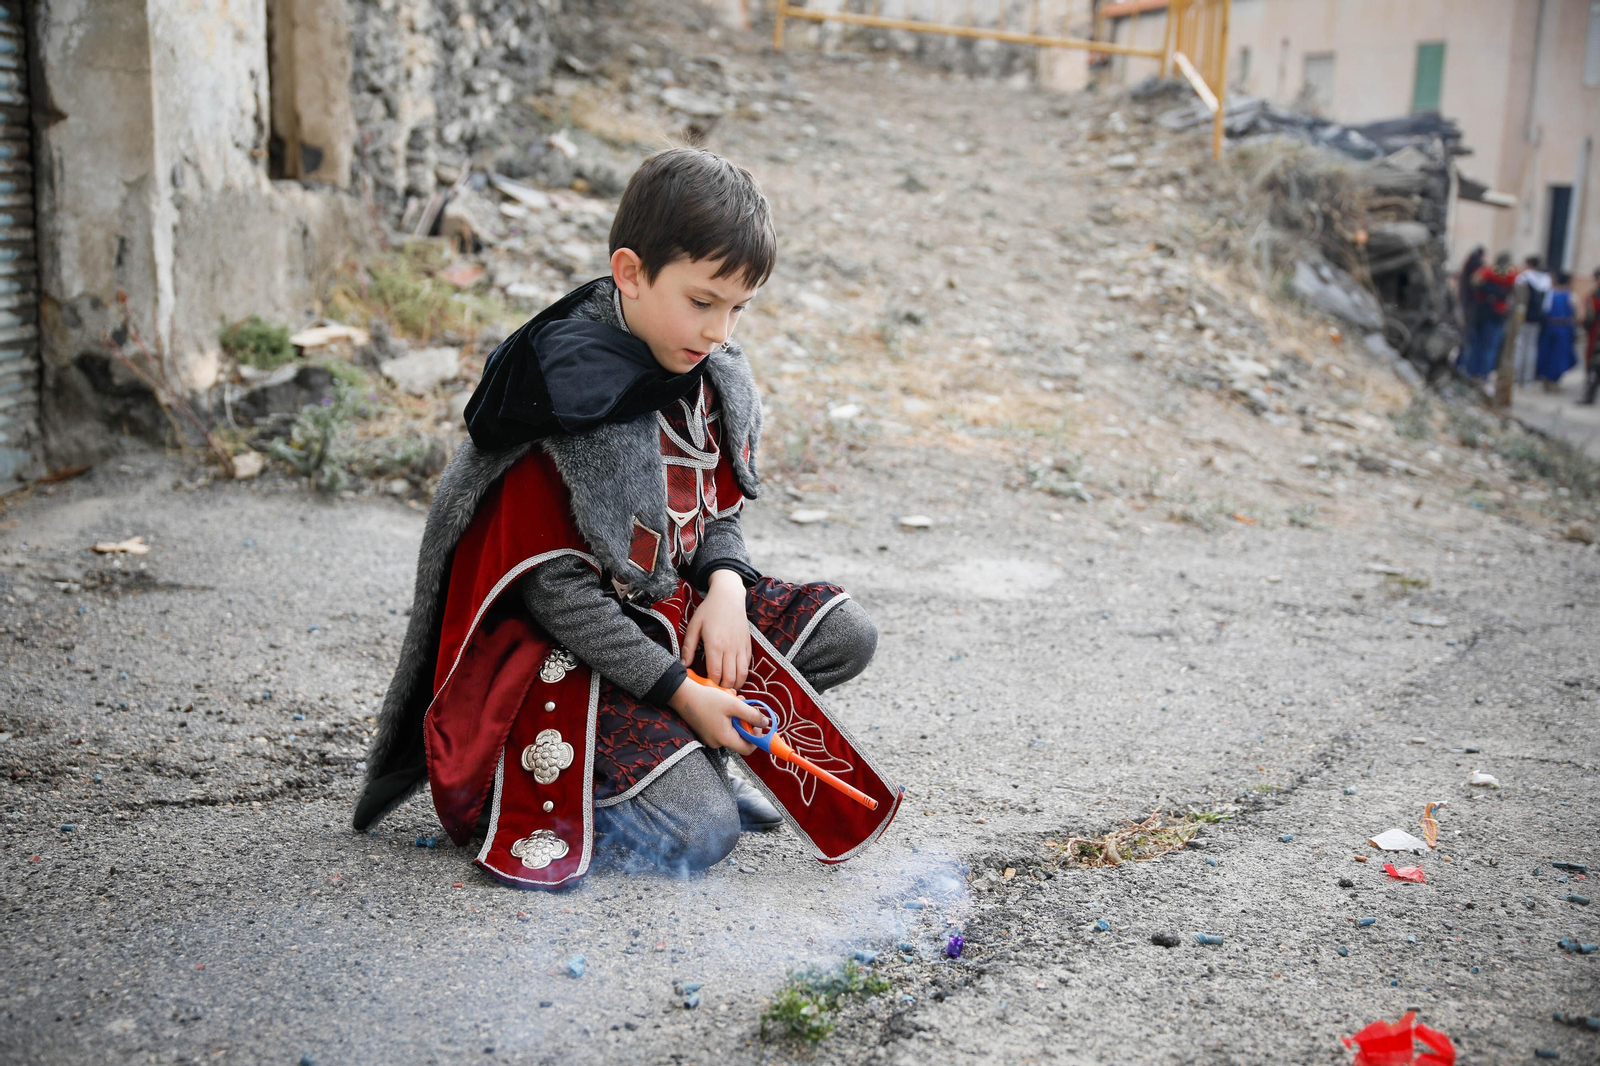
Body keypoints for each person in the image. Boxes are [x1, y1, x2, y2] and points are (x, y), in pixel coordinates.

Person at [352, 148, 899, 889]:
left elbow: (714, 509)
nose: (720, 331)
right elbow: (558, 598)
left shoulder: (698, 365)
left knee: (845, 632)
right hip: (560, 656)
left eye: (737, 308)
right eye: (702, 302)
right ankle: (621, 779)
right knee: (701, 831)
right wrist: (684, 693)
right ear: (632, 273)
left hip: (662, 612)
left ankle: (682, 756)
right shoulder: (560, 393)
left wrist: (727, 588)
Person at [1459, 251, 1518, 379]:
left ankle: (1472, 373)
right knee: (1488, 347)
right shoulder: (1510, 276)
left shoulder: (1487, 272)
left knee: (1477, 345)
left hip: (1482, 313)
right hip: (1494, 314)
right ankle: (1482, 375)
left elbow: (1475, 282)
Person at [1536, 270, 1578, 391]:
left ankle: (1547, 379)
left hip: (1550, 327)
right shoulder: (1571, 296)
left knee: (1548, 353)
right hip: (1564, 329)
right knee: (1559, 355)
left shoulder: (1549, 294)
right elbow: (1577, 314)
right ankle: (1553, 381)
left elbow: (1544, 311)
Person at [1512, 255, 1551, 385]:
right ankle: (1528, 377)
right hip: (1538, 318)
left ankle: (1517, 376)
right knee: (1532, 347)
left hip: (1523, 317)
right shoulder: (1546, 279)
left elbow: (1516, 298)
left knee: (1520, 346)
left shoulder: (1524, 278)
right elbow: (1547, 304)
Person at [1582, 267, 1600, 405]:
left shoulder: (1595, 294)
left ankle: (1589, 395)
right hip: (1595, 331)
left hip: (1596, 333)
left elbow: (1590, 316)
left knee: (1594, 363)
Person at [1457, 245, 1485, 331]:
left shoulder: (1469, 262)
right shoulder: (1476, 262)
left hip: (1466, 295)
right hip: (1472, 298)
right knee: (1470, 322)